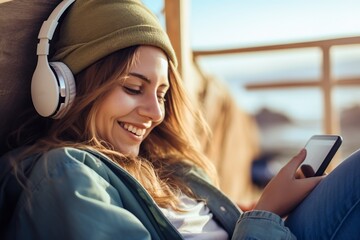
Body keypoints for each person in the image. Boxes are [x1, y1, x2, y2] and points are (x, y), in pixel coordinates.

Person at [0, 0, 359, 239]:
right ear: (66, 88)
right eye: (133, 87)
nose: (156, 114)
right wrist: (264, 214)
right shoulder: (64, 175)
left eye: (161, 93)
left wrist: (240, 211)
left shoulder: (159, 164)